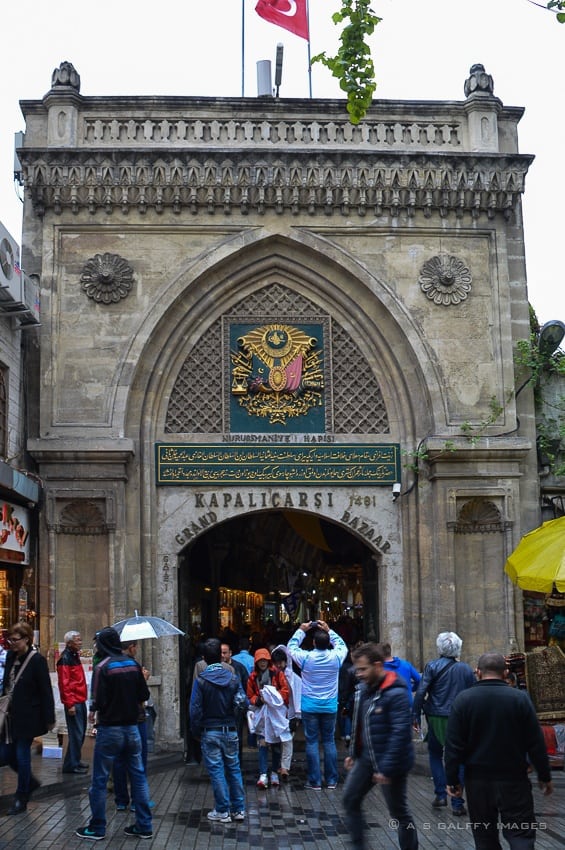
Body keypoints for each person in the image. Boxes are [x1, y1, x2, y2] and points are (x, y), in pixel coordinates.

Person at [445, 652, 553, 850]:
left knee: (485, 837)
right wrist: (544, 775)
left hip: (478, 782)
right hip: (514, 779)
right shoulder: (520, 699)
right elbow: (535, 741)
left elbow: (453, 746)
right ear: (505, 673)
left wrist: (453, 780)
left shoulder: (463, 700)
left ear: (477, 672)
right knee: (520, 834)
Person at [76, 627, 152, 841]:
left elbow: (98, 700)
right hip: (132, 728)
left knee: (99, 779)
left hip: (110, 729)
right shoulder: (133, 665)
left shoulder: (103, 667)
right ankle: (144, 824)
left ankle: (97, 826)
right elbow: (143, 694)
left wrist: (93, 714)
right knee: (138, 776)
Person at [343, 642, 418, 850]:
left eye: (363, 669)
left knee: (399, 812)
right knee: (350, 799)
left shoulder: (396, 692)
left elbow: (400, 733)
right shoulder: (367, 689)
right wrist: (353, 752)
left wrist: (386, 768)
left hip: (390, 762)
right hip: (367, 758)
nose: (359, 674)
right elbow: (361, 723)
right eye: (357, 669)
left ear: (377, 665)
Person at [412, 630, 474, 815]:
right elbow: (472, 693)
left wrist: (415, 714)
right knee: (459, 757)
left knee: (435, 753)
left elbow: (421, 691)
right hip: (459, 717)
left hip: (435, 716)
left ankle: (440, 794)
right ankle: (457, 801)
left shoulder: (432, 666)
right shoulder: (465, 669)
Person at [0, 621, 56, 815]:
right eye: (10, 640)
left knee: (23, 755)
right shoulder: (9, 656)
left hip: (28, 716)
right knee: (6, 755)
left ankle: (21, 797)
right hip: (8, 717)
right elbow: (7, 683)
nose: (11, 643)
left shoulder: (37, 660)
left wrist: (49, 718)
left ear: (26, 639)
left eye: (15, 640)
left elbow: (45, 691)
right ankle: (30, 782)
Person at [190, 637, 246, 823]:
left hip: (210, 730)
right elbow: (241, 702)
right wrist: (235, 722)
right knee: (234, 769)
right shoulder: (233, 677)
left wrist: (196, 731)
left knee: (216, 771)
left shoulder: (201, 680)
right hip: (230, 728)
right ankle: (238, 809)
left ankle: (222, 810)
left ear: (205, 658)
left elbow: (195, 709)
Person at [287, 618, 348, 790]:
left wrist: (301, 630)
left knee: (312, 742)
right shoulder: (336, 657)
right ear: (329, 643)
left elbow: (291, 648)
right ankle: (331, 780)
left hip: (310, 706)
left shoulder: (306, 658)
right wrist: (329, 630)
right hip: (329, 705)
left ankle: (314, 781)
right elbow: (342, 645)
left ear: (313, 642)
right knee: (329, 741)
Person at [113, 640, 154, 812]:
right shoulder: (134, 666)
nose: (137, 649)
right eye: (136, 646)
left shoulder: (109, 665)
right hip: (135, 720)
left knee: (119, 761)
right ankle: (138, 801)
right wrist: (144, 679)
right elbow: (142, 695)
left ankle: (121, 799)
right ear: (131, 648)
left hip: (115, 721)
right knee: (138, 761)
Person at [246, 646, 289, 788]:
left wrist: (275, 698)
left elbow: (285, 691)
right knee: (262, 744)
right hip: (262, 715)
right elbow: (250, 695)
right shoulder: (253, 677)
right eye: (260, 660)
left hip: (275, 714)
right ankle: (263, 773)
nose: (263, 663)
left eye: (265, 660)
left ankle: (274, 771)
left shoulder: (277, 674)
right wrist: (259, 701)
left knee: (276, 744)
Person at [57, 630, 89, 774]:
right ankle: (71, 764)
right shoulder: (65, 658)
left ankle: (75, 760)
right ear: (70, 643)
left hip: (79, 699)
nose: (80, 642)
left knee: (80, 732)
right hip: (74, 700)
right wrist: (69, 704)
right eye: (77, 640)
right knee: (76, 733)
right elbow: (64, 684)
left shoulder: (73, 656)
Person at [271, 644, 302, 779]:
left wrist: (297, 715)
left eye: (281, 662)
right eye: (276, 662)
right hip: (275, 713)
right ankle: (280, 765)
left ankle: (284, 767)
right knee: (277, 741)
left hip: (289, 714)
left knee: (287, 741)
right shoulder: (271, 675)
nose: (279, 665)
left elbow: (298, 696)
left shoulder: (294, 678)